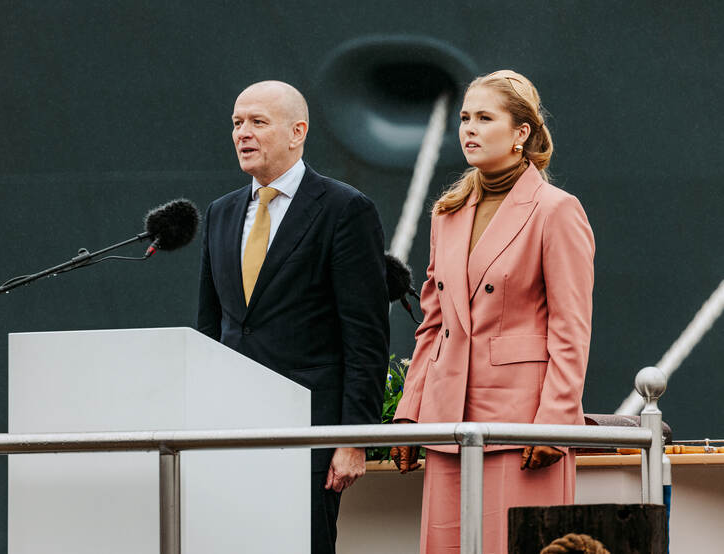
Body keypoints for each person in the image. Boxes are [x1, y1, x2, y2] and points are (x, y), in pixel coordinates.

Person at [391, 70, 595, 553]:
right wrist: (408, 418)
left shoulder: (556, 210)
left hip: (521, 430)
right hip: (447, 426)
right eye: (464, 118)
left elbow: (571, 328)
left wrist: (553, 425)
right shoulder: (448, 213)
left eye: (485, 118)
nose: (469, 129)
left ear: (521, 133)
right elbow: (434, 325)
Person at [197, 80, 390, 554]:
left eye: (258, 122)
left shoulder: (345, 209)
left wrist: (353, 439)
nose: (243, 133)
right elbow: (211, 327)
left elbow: (365, 337)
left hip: (309, 434)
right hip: (231, 434)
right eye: (237, 123)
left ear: (297, 131)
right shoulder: (221, 213)